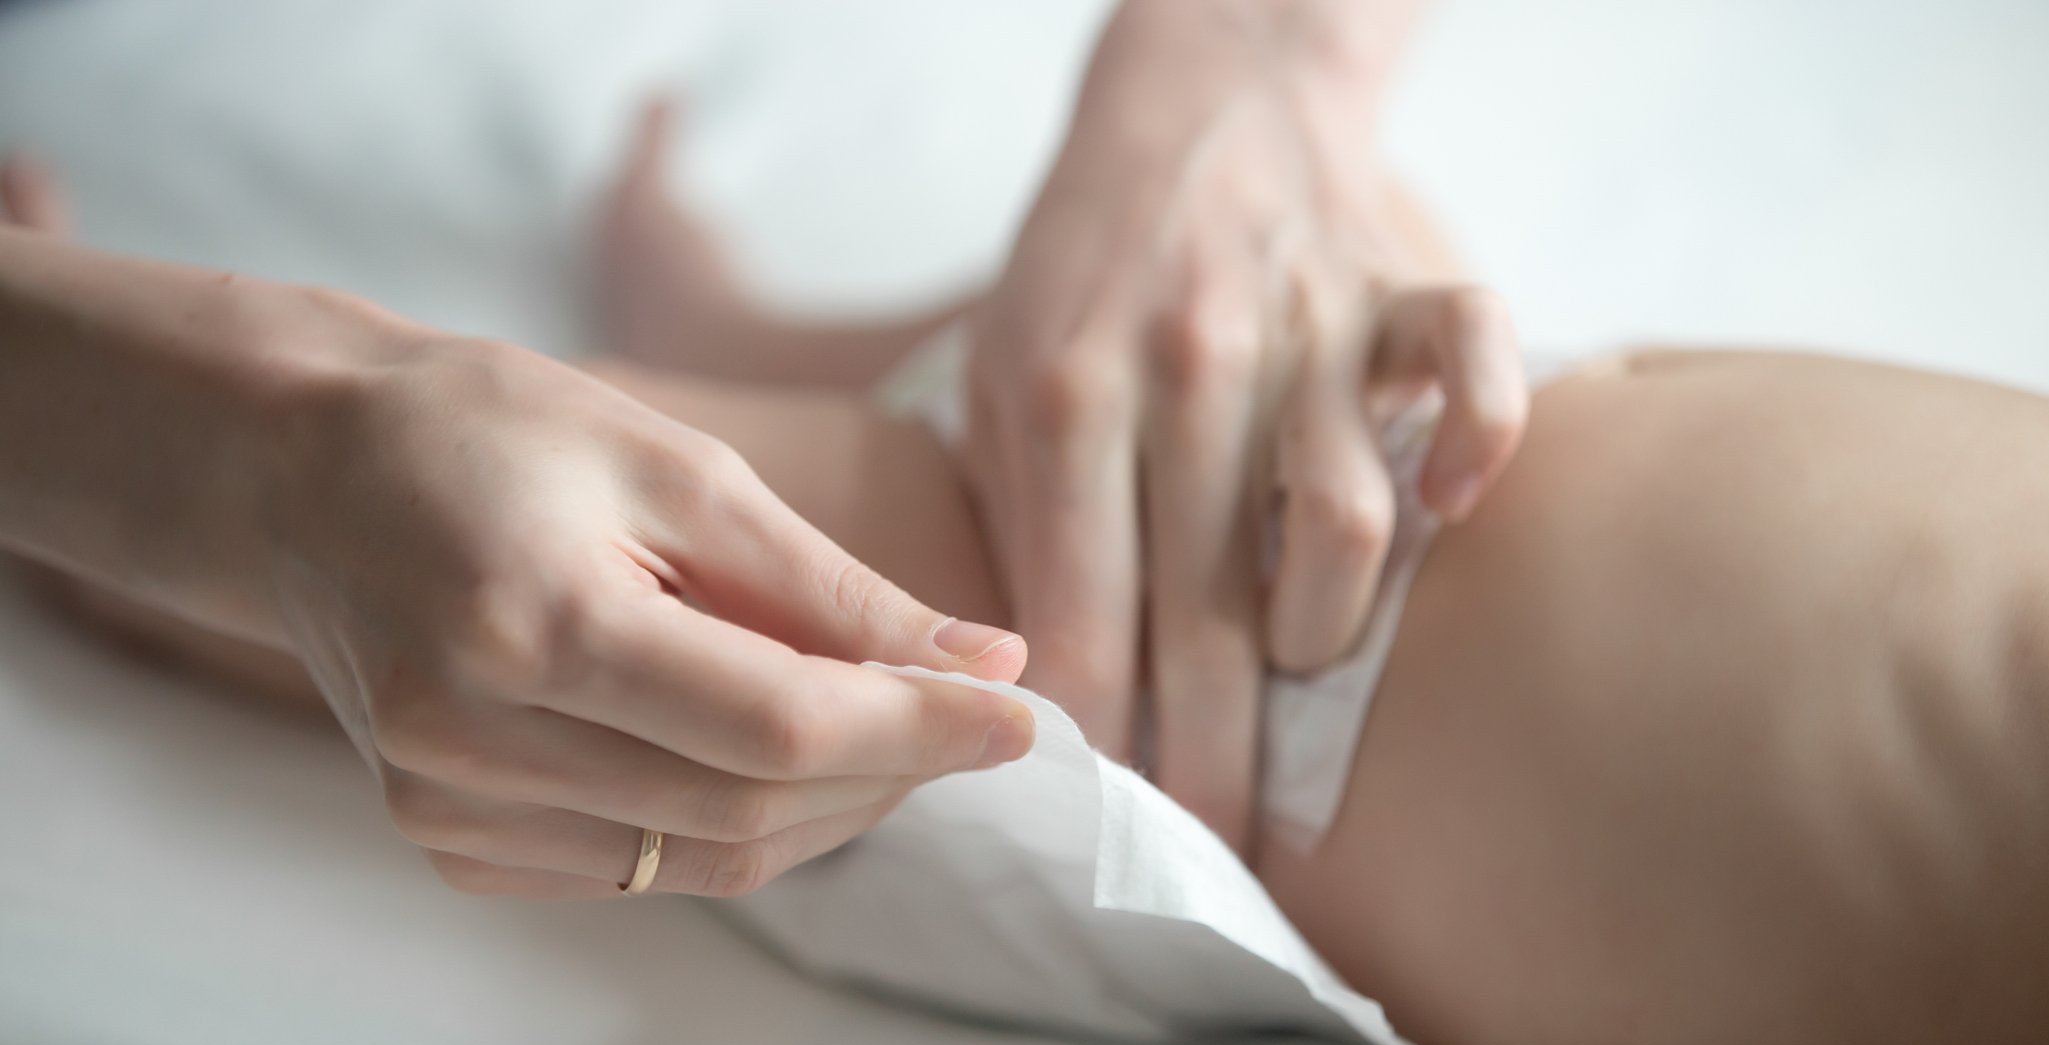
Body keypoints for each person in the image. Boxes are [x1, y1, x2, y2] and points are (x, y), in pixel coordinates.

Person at [16, 81, 2049, 1045]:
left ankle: (129, 511)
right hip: (1460, 395)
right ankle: (723, 324)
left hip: (1230, 717)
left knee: (646, 542)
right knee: (1072, 362)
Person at [0, 0, 1466, 894]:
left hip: (1358, 640)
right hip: (1439, 451)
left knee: (756, 567)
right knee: (1015, 454)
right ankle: (731, 344)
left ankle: (725, 353)